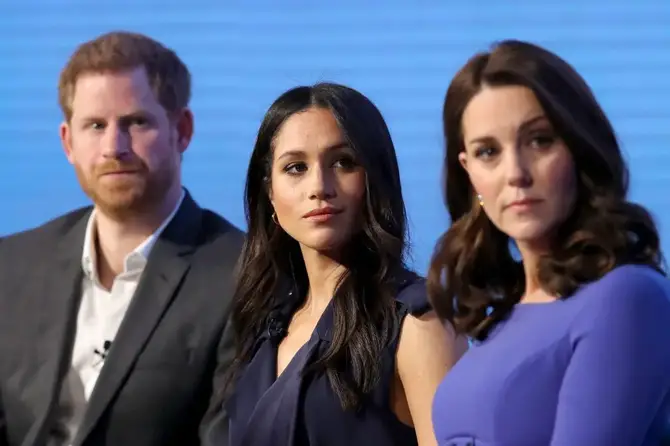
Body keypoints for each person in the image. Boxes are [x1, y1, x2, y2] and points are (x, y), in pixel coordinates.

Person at [0, 31, 244, 446]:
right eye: (95, 125)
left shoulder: (245, 275)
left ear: (181, 130)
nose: (114, 147)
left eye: (136, 122)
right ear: (67, 142)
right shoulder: (12, 263)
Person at [428, 39, 670, 445]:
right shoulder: (500, 317)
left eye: (540, 140)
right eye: (488, 151)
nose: (516, 173)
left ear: (578, 146)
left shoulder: (627, 297)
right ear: (468, 172)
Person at [202, 83, 466, 446]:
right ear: (271, 196)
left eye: (343, 162)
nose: (319, 186)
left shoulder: (417, 320)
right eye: (295, 167)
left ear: (375, 178)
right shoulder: (264, 327)